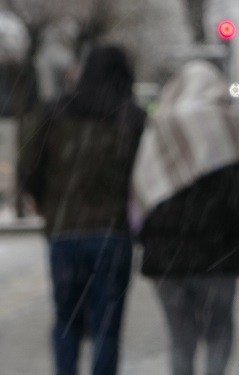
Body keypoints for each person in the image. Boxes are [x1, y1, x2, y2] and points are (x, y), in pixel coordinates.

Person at [18, 45, 145, 375]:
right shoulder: (132, 117)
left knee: (66, 320)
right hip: (113, 235)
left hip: (65, 233)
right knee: (107, 326)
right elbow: (145, 177)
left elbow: (28, 167)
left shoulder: (54, 112)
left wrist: (47, 201)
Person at [130, 60, 239, 375]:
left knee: (180, 339)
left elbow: (143, 184)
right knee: (219, 332)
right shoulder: (229, 121)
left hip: (166, 254)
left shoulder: (161, 125)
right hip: (220, 249)